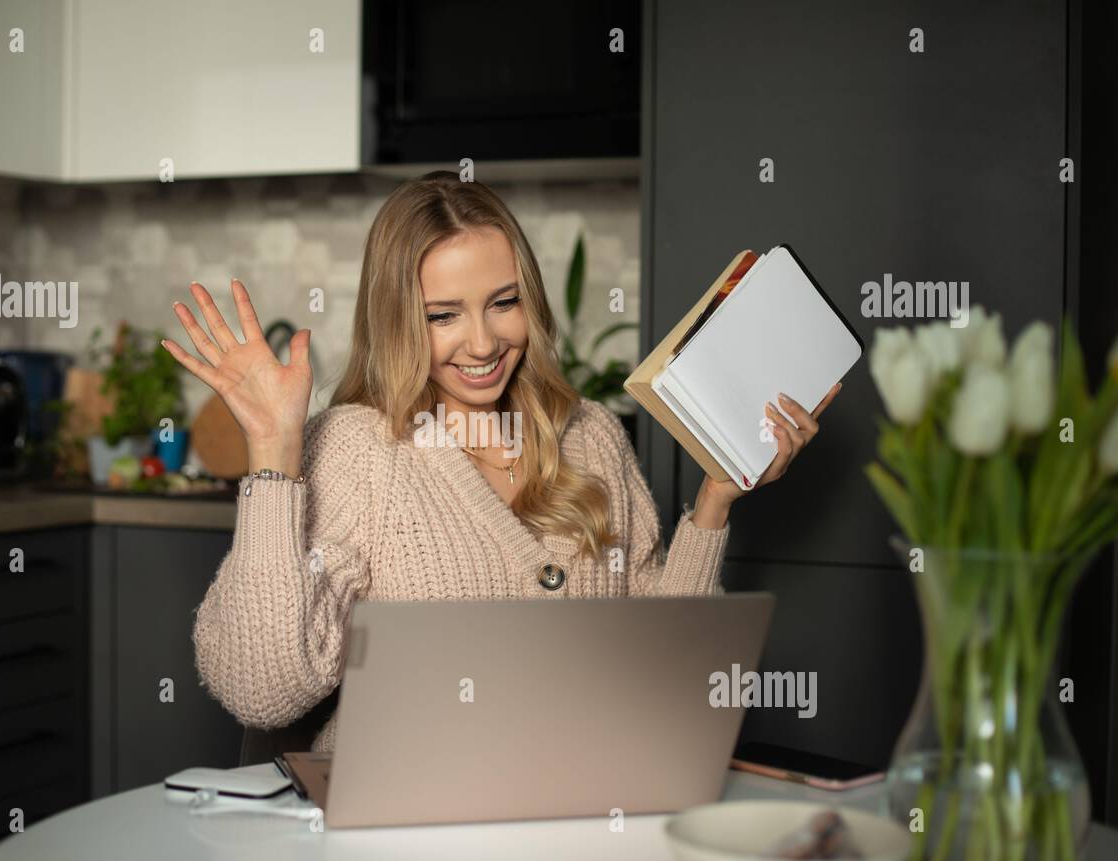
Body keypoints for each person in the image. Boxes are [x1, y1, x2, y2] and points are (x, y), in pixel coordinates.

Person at [163, 171, 838, 752]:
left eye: (503, 303)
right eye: (443, 316)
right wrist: (274, 454)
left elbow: (671, 669)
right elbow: (260, 689)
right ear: (398, 320)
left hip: (579, 817)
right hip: (403, 835)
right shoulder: (355, 448)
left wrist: (715, 501)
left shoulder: (591, 435)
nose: (483, 342)